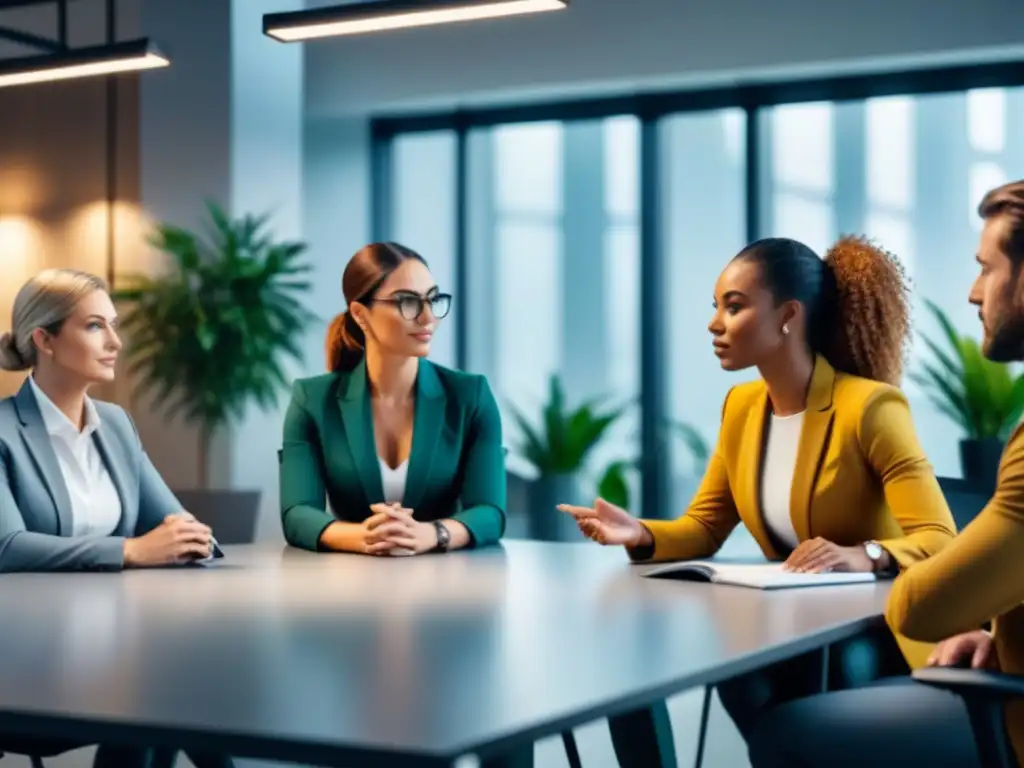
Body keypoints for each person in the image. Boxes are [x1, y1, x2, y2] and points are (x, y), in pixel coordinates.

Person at [559, 236, 958, 767]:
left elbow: (940, 540)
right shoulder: (742, 407)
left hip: (868, 635)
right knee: (734, 676)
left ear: (788, 315)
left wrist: (865, 555)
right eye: (716, 306)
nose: (714, 324)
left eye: (734, 305)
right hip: (782, 628)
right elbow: (705, 525)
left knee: (787, 701)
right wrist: (641, 533)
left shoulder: (870, 408)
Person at [744, 181, 1024, 767]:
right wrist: (1002, 640)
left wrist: (877, 556)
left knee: (787, 732)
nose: (974, 293)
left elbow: (920, 607)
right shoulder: (744, 411)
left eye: (987, 269)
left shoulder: (872, 407)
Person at [0, 269, 233, 767]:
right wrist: (130, 550)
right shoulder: (3, 432)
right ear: (44, 339)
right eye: (95, 327)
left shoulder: (118, 425)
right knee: (170, 691)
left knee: (184, 684)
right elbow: (7, 546)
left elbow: (176, 523)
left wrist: (191, 539)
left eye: (114, 324)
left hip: (115, 640)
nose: (116, 341)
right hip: (27, 652)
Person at [279, 241, 506, 557]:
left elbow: (490, 511)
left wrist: (431, 533)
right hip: (348, 584)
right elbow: (298, 513)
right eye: (407, 302)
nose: (428, 317)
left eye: (433, 299)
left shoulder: (471, 396)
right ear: (360, 315)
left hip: (449, 583)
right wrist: (368, 536)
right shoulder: (312, 400)